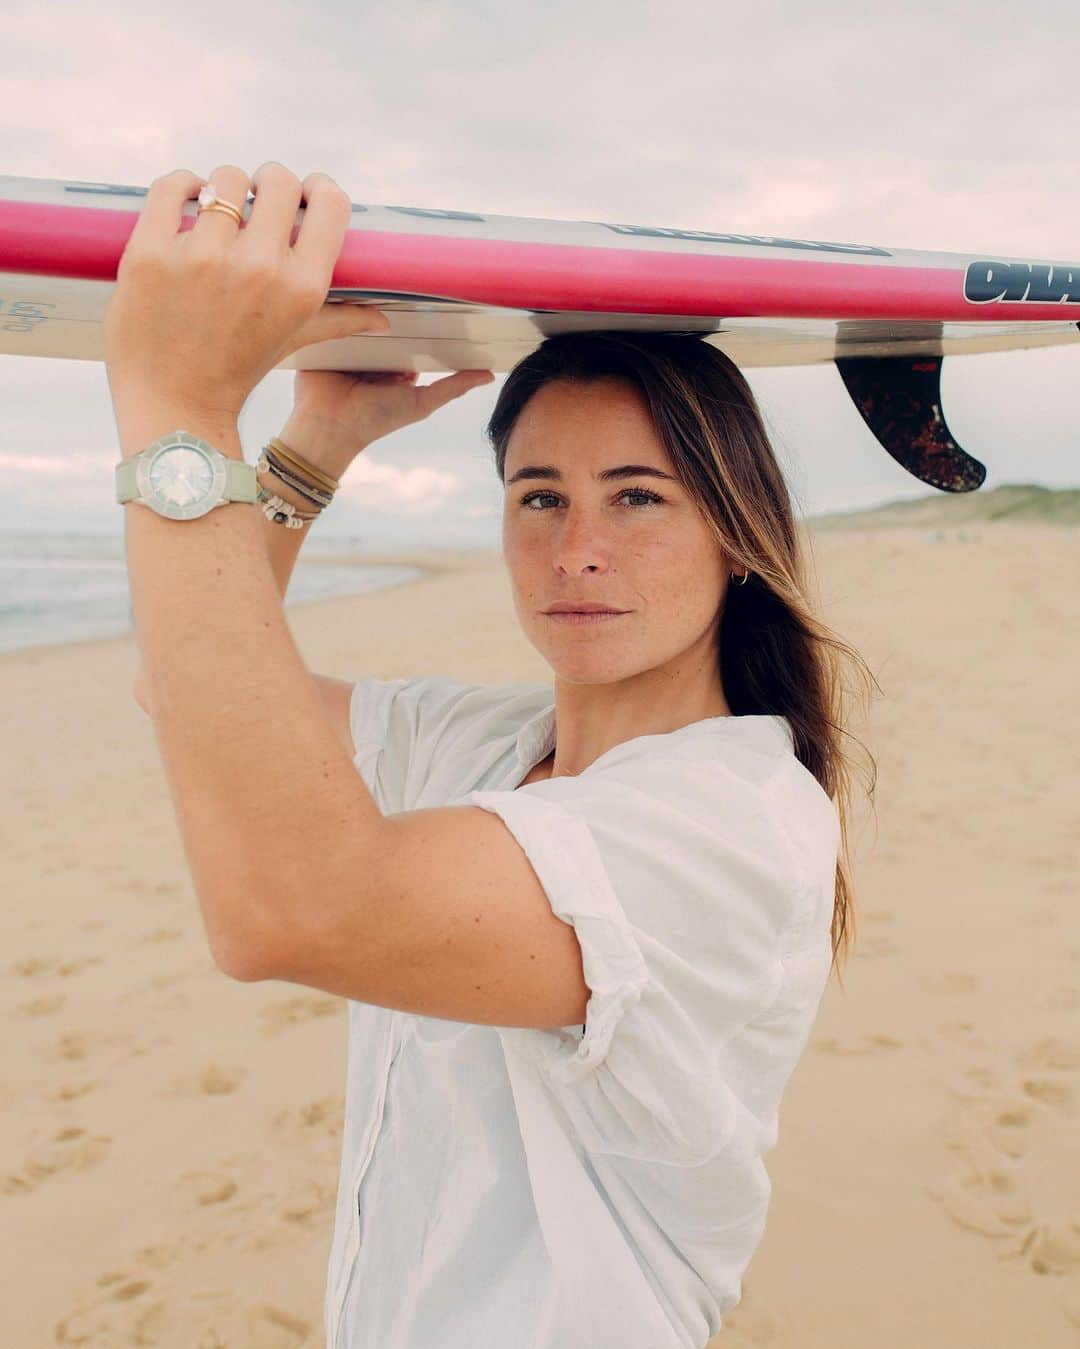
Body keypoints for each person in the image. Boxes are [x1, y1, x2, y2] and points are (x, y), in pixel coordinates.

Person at [116, 165, 876, 1349]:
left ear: (736, 534)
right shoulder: (476, 742)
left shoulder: (731, 820)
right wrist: (309, 451)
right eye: (538, 496)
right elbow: (188, 687)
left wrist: (178, 407)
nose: (576, 548)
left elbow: (286, 910)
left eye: (636, 497)